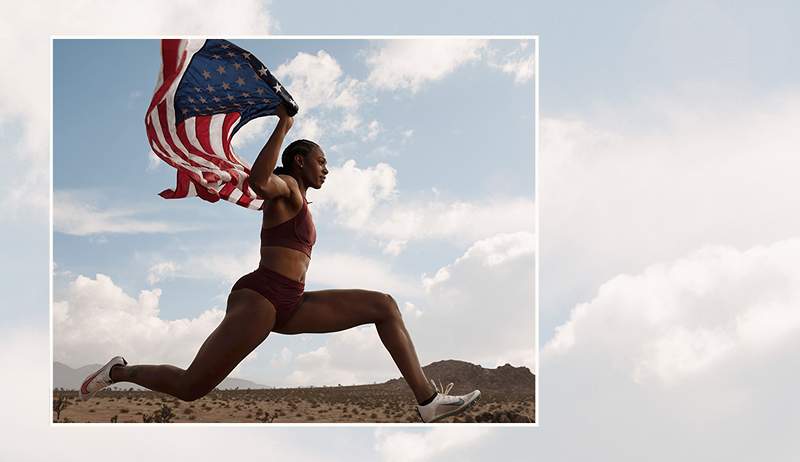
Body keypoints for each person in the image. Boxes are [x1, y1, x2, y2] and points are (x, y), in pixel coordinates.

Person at [80, 106, 480, 423]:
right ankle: (118, 372)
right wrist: (283, 125)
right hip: (261, 296)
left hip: (293, 301)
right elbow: (258, 181)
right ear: (301, 161)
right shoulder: (286, 186)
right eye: (322, 161)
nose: (327, 169)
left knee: (384, 305)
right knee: (190, 387)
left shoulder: (301, 198)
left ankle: (427, 401)